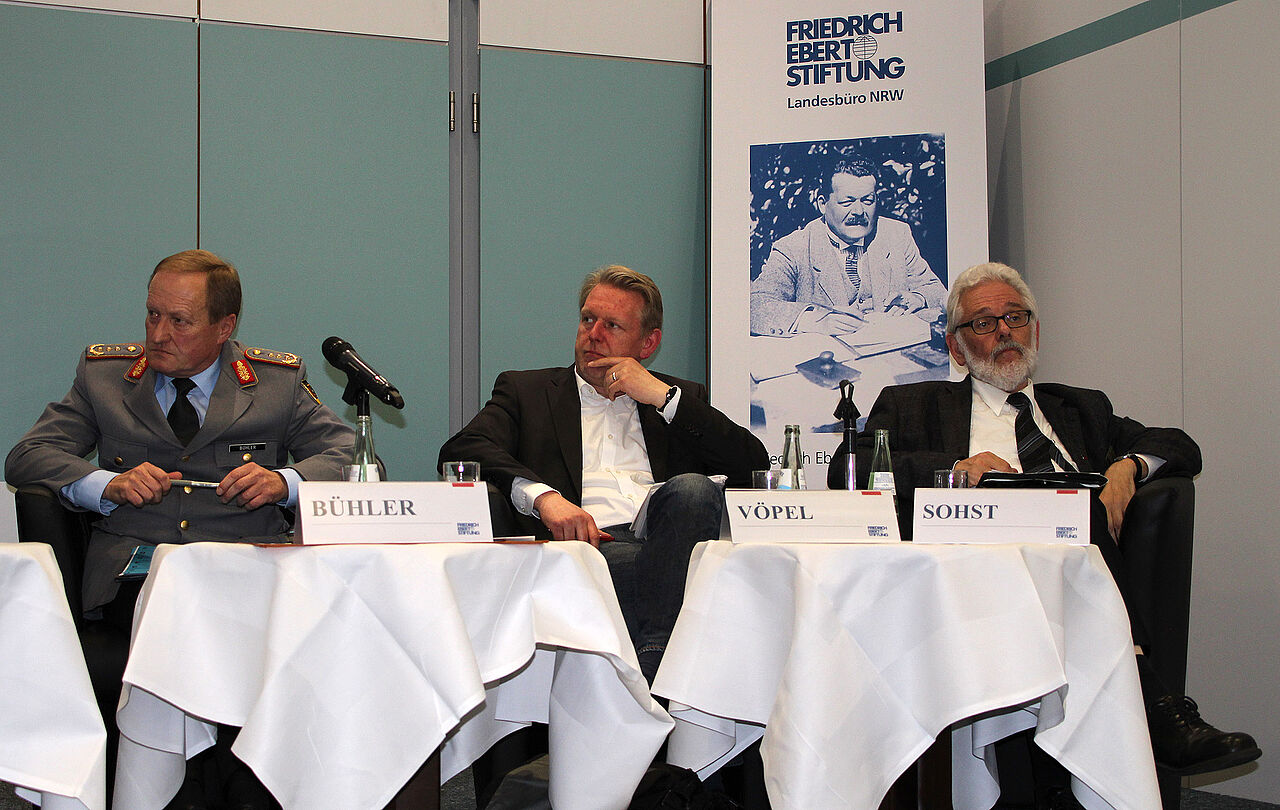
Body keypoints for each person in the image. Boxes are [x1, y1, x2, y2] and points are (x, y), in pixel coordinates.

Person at [843, 261, 1261, 783]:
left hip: (1074, 572)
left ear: (1034, 332)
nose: (1004, 331)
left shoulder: (1080, 409)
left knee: (1075, 504)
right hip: (968, 573)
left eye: (1015, 317)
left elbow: (1180, 445)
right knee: (1075, 506)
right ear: (956, 348)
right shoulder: (914, 404)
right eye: (984, 322)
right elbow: (849, 466)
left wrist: (1127, 468)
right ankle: (1156, 708)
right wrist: (955, 469)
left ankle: (1116, 727)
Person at [6, 248, 356, 810]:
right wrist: (105, 484)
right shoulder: (105, 376)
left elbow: (350, 457)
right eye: (152, 315)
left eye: (180, 321)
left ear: (224, 327)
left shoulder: (276, 382)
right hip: (135, 575)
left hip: (243, 571)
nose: (158, 334)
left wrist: (283, 482)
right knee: (189, 630)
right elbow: (28, 455)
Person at [441, 264, 767, 680]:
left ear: (648, 343)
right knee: (669, 573)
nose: (593, 335)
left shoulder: (678, 398)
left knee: (692, 491)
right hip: (592, 547)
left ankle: (651, 662)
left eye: (612, 325)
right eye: (587, 319)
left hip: (669, 537)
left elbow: (752, 465)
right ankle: (663, 669)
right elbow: (462, 449)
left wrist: (663, 398)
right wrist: (544, 498)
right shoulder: (528, 392)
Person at [751, 154, 946, 337]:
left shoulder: (896, 234)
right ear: (822, 204)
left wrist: (918, 297)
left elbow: (935, 289)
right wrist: (812, 321)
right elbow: (755, 306)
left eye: (868, 201)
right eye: (847, 202)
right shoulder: (794, 248)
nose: (859, 211)